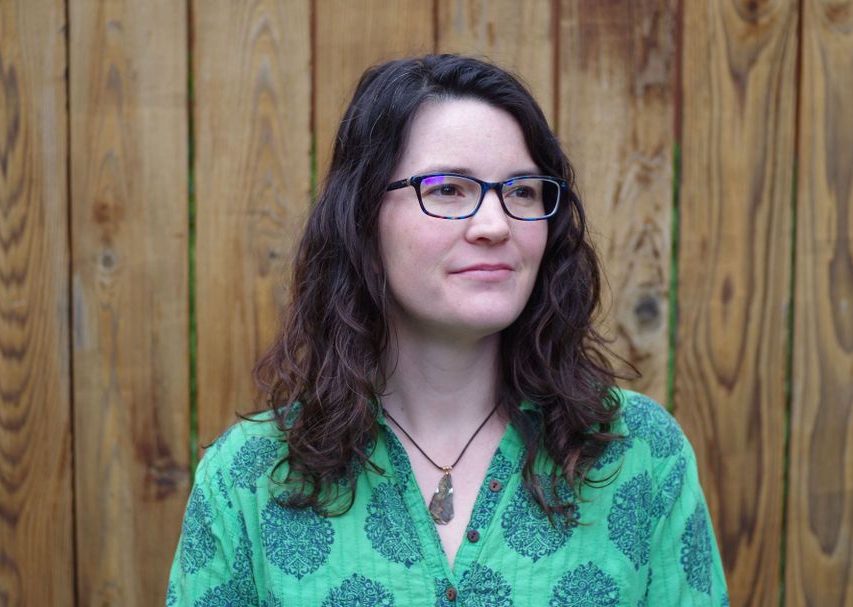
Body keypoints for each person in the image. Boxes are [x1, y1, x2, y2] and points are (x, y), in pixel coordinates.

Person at [166, 54, 729, 606]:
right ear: (361, 217)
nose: (495, 224)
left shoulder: (638, 454)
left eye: (522, 191)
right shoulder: (250, 477)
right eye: (447, 188)